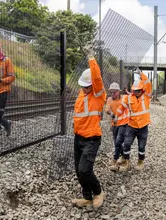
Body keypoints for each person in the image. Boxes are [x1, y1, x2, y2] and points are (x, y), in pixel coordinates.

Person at [71, 47, 106, 208]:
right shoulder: (82, 93)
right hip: (78, 137)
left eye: (87, 86)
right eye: (83, 86)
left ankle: (98, 193)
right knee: (79, 170)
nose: (84, 89)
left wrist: (91, 58)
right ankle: (87, 197)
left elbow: (97, 77)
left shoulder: (98, 94)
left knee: (85, 169)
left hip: (92, 138)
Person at [115, 68, 152, 171]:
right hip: (132, 126)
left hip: (143, 126)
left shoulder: (147, 96)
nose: (136, 92)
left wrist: (141, 74)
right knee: (126, 143)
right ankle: (127, 162)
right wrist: (116, 116)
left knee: (141, 146)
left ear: (142, 90)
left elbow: (148, 83)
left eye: (138, 90)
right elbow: (121, 107)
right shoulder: (128, 98)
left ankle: (140, 162)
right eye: (135, 90)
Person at [105, 82, 129, 171]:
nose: (112, 94)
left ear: (118, 91)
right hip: (114, 124)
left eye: (114, 92)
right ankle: (124, 157)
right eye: (111, 92)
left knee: (118, 141)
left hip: (123, 123)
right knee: (117, 143)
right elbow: (107, 109)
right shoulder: (109, 100)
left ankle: (115, 159)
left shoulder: (124, 99)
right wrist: (110, 113)